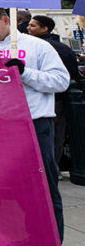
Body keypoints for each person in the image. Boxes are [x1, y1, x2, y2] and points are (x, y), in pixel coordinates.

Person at [0, 7, 67, 241]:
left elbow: (61, 81)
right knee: (10, 187)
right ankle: (22, 237)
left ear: (7, 20)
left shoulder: (38, 46)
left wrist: (25, 73)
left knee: (44, 184)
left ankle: (52, 241)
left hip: (34, 123)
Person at [28, 14, 82, 165]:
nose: (28, 28)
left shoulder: (41, 47)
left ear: (45, 28)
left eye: (33, 25)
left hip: (52, 98)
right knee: (57, 135)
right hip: (61, 98)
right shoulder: (61, 46)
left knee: (52, 137)